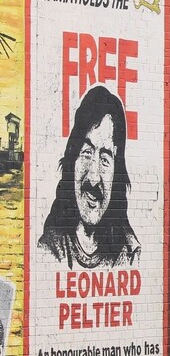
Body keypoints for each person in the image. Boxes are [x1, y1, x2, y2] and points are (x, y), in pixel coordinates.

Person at [39, 84, 140, 268]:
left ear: (117, 174)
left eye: (105, 159)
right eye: (86, 153)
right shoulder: (49, 250)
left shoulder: (130, 254)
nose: (93, 178)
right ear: (72, 161)